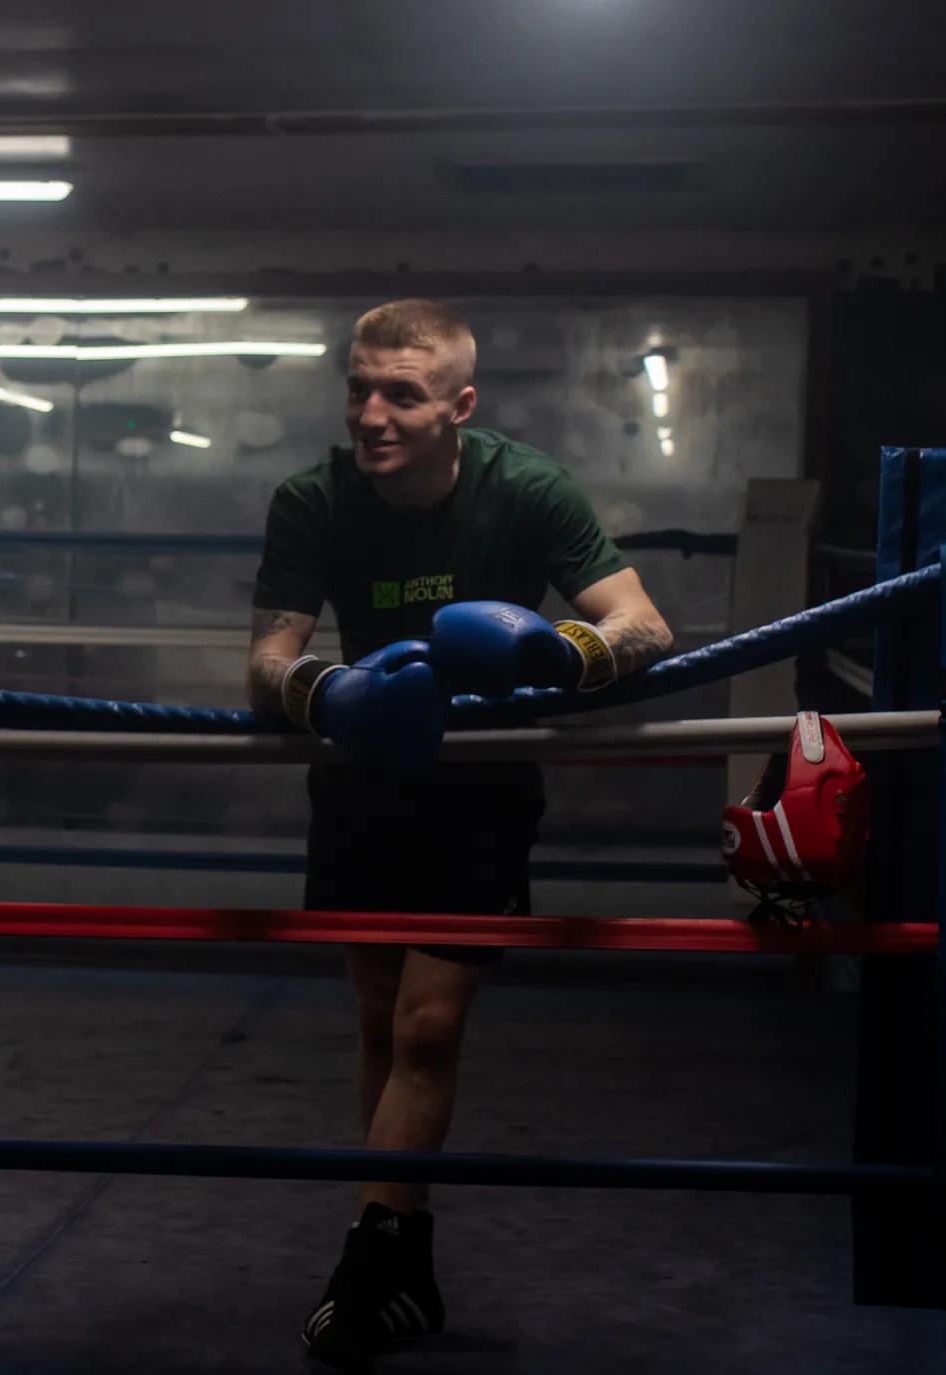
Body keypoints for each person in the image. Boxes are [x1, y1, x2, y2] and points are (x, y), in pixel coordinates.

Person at [245, 299, 675, 1372]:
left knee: (428, 1030)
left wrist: (565, 653)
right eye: (358, 389)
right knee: (381, 1028)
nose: (372, 413)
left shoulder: (521, 488)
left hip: (475, 793)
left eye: (401, 393)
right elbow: (263, 658)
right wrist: (326, 689)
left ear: (458, 404)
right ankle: (409, 1262)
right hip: (361, 782)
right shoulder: (311, 499)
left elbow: (645, 624)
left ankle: (364, 1264)